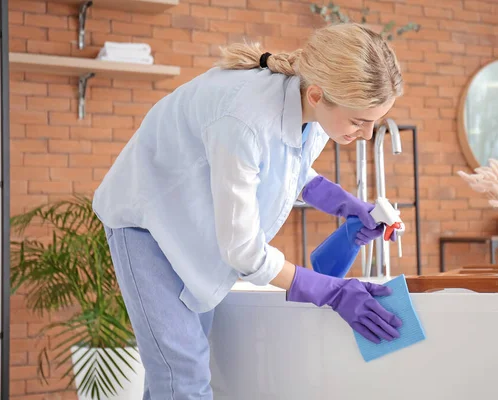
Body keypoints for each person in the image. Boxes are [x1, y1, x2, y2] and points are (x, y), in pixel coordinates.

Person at [92, 22, 404, 400]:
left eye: (374, 122)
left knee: (175, 374)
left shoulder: (313, 110)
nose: (368, 135)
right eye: (360, 122)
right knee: (183, 376)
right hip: (145, 225)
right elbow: (244, 253)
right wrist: (330, 292)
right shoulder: (245, 119)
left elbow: (292, 168)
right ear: (319, 94)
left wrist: (345, 204)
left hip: (196, 228)